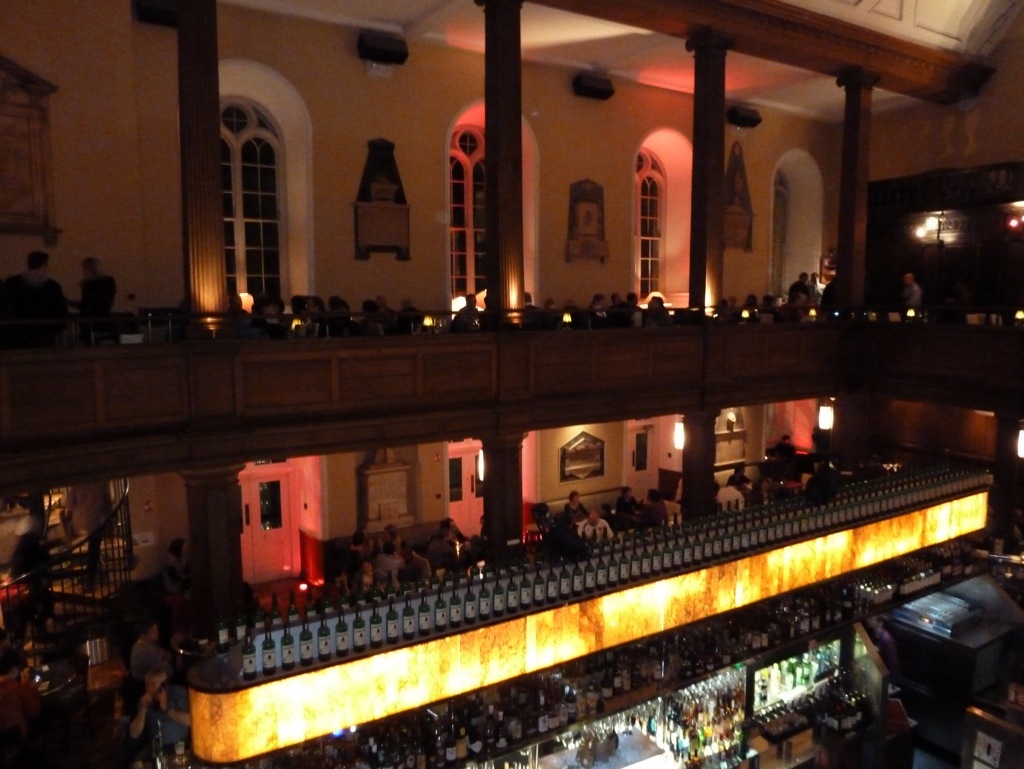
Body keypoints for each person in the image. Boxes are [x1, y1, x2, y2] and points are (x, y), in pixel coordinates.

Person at [4, 250, 68, 347]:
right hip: (45, 333)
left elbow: (7, 306)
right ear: (43, 266)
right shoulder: (52, 286)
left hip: (19, 333)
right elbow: (60, 310)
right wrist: (56, 327)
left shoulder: (12, 283)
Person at [128, 666, 191, 751]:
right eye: (147, 685)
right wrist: (143, 709)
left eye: (153, 685)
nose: (149, 689)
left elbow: (189, 721)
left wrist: (166, 709)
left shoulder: (178, 693)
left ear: (163, 686)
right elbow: (134, 733)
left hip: (179, 745)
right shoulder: (144, 701)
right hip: (156, 748)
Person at [65, 480, 112, 590]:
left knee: (92, 549)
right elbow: (108, 502)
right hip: (96, 520)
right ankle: (90, 579)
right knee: (94, 549)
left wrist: (69, 521)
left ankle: (92, 575)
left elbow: (70, 504)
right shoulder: (102, 482)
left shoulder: (77, 483)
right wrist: (109, 520)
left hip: (79, 520)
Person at [67, 257, 117, 344]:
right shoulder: (109, 282)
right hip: (105, 321)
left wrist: (68, 302)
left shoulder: (89, 285)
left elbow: (86, 306)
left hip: (91, 324)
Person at [0, 647, 41, 745]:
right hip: (13, 738)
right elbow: (33, 712)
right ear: (14, 669)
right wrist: (32, 690)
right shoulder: (18, 688)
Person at [129, 619, 172, 685]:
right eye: (153, 631)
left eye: (156, 629)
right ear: (143, 635)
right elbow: (168, 671)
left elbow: (167, 656)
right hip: (146, 685)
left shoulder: (151, 643)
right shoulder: (143, 650)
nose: (157, 632)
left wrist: (165, 655)